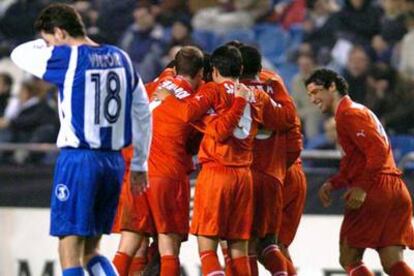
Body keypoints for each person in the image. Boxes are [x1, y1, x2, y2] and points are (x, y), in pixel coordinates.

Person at [10, 4, 151, 276]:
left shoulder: (68, 59)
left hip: (80, 160)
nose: (49, 47)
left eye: (49, 40)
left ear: (60, 33)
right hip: (113, 163)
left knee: (69, 250)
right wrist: (139, 163)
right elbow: (143, 111)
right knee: (92, 251)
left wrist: (48, 45)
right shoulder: (121, 57)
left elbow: (19, 54)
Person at [155, 45, 295, 276]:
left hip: (217, 174)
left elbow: (190, 114)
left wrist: (169, 100)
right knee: (239, 249)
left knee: (208, 248)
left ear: (215, 71)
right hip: (244, 177)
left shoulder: (213, 91)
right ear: (240, 68)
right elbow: (285, 118)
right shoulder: (257, 95)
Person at [305, 68, 414, 276]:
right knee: (392, 262)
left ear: (332, 87)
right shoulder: (357, 111)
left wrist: (362, 188)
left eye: (316, 92)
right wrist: (335, 182)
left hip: (375, 188)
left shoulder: (349, 113)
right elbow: (355, 160)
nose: (313, 99)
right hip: (395, 189)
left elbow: (378, 151)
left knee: (349, 257)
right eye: (309, 95)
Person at [112, 46, 205, 276]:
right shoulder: (194, 102)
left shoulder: (152, 86)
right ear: (201, 73)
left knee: (131, 242)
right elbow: (197, 141)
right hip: (167, 174)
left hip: (134, 172)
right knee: (168, 245)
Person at [236, 45, 299, 276]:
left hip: (245, 175)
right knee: (271, 243)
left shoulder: (230, 90)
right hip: (274, 175)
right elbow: (291, 124)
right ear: (260, 67)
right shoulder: (275, 83)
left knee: (245, 245)